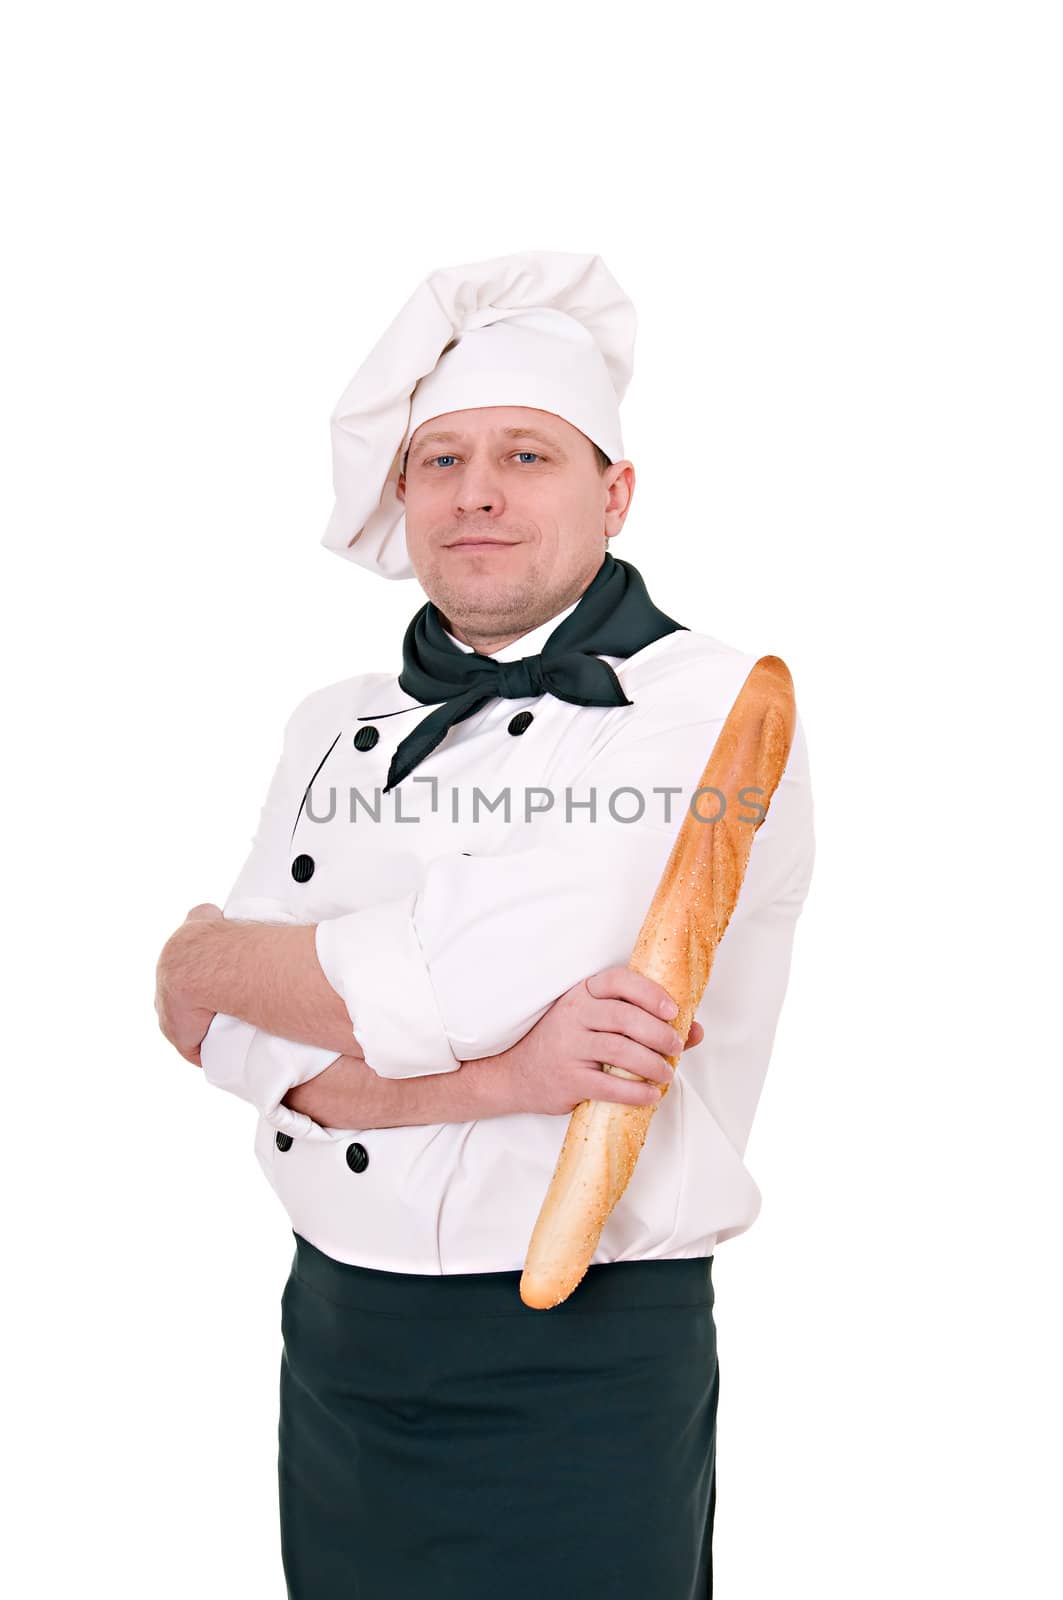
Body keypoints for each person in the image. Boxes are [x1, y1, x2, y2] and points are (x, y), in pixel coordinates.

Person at [155, 249, 816, 1599]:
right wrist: (508, 1078)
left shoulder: (702, 710)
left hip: (578, 1353)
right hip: (335, 1331)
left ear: (616, 491)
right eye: (439, 460)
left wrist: (217, 955)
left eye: (527, 454)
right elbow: (213, 1030)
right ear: (401, 498)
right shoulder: (334, 718)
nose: (477, 494)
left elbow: (418, 989)